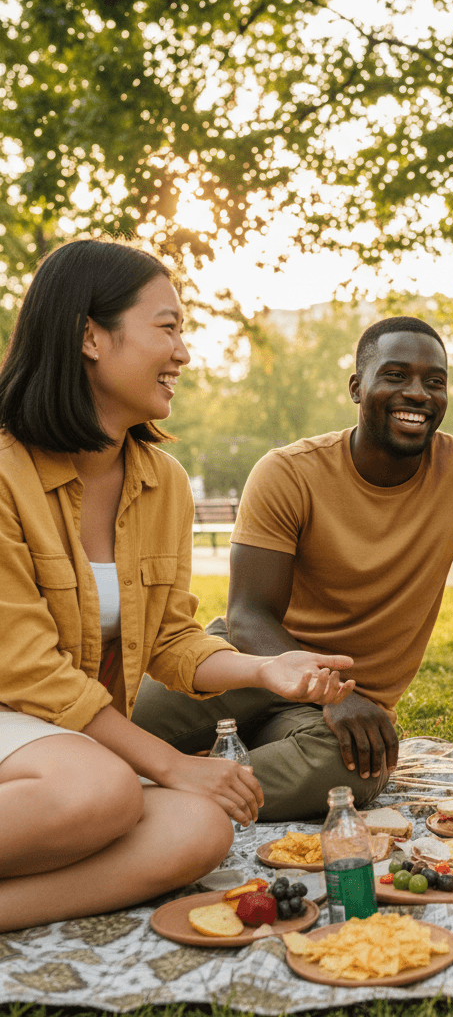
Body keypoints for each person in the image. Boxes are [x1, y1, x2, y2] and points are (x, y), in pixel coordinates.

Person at [0, 239, 354, 932]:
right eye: (167, 328)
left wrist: (264, 669)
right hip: (25, 719)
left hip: (58, 742)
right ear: (90, 337)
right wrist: (168, 763)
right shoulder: (6, 471)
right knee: (105, 789)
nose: (184, 353)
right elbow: (26, 667)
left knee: (199, 828)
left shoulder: (162, 483)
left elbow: (168, 637)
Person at [133, 316, 453, 820]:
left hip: (349, 708)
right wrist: (327, 688)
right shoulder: (288, 472)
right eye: (395, 375)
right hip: (251, 665)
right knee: (115, 727)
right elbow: (248, 616)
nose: (418, 393)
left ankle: (143, 798)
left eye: (435, 382)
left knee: (354, 769)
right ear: (356, 387)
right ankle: (147, 778)